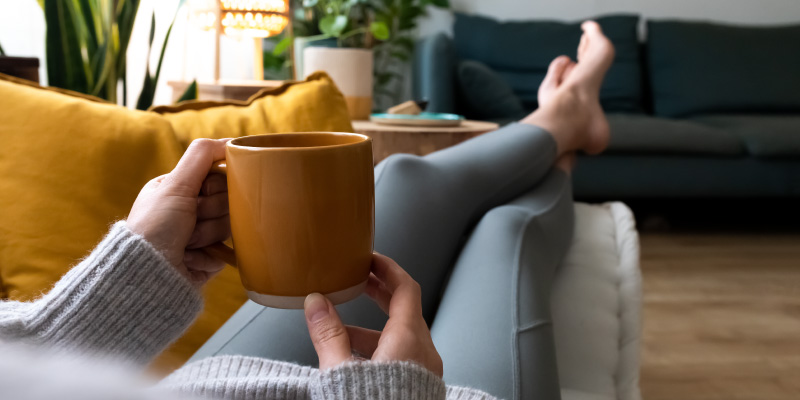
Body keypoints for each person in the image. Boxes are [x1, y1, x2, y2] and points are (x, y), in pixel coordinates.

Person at [0, 21, 614, 400]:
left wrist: (126, 286)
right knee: (504, 226)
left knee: (399, 174)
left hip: (203, 385)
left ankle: (559, 129)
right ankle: (561, 140)